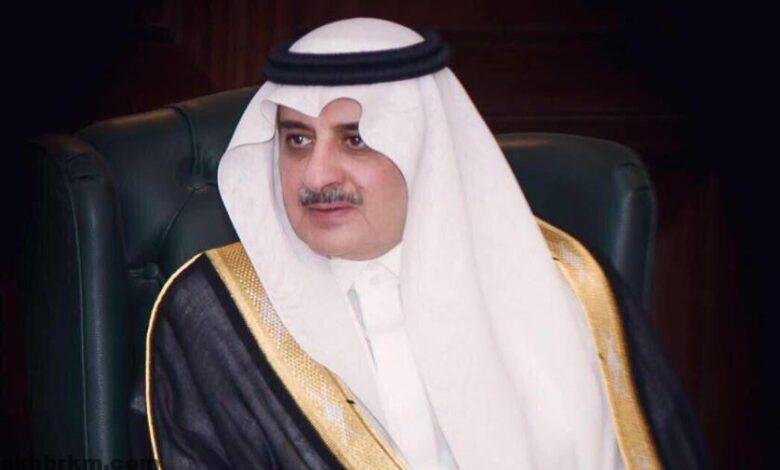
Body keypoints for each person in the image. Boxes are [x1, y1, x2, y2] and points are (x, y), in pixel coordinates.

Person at [136, 17, 708, 469]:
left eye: (356, 140)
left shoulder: (569, 284)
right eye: (297, 140)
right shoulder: (216, 312)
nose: (316, 176)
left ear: (422, 146)